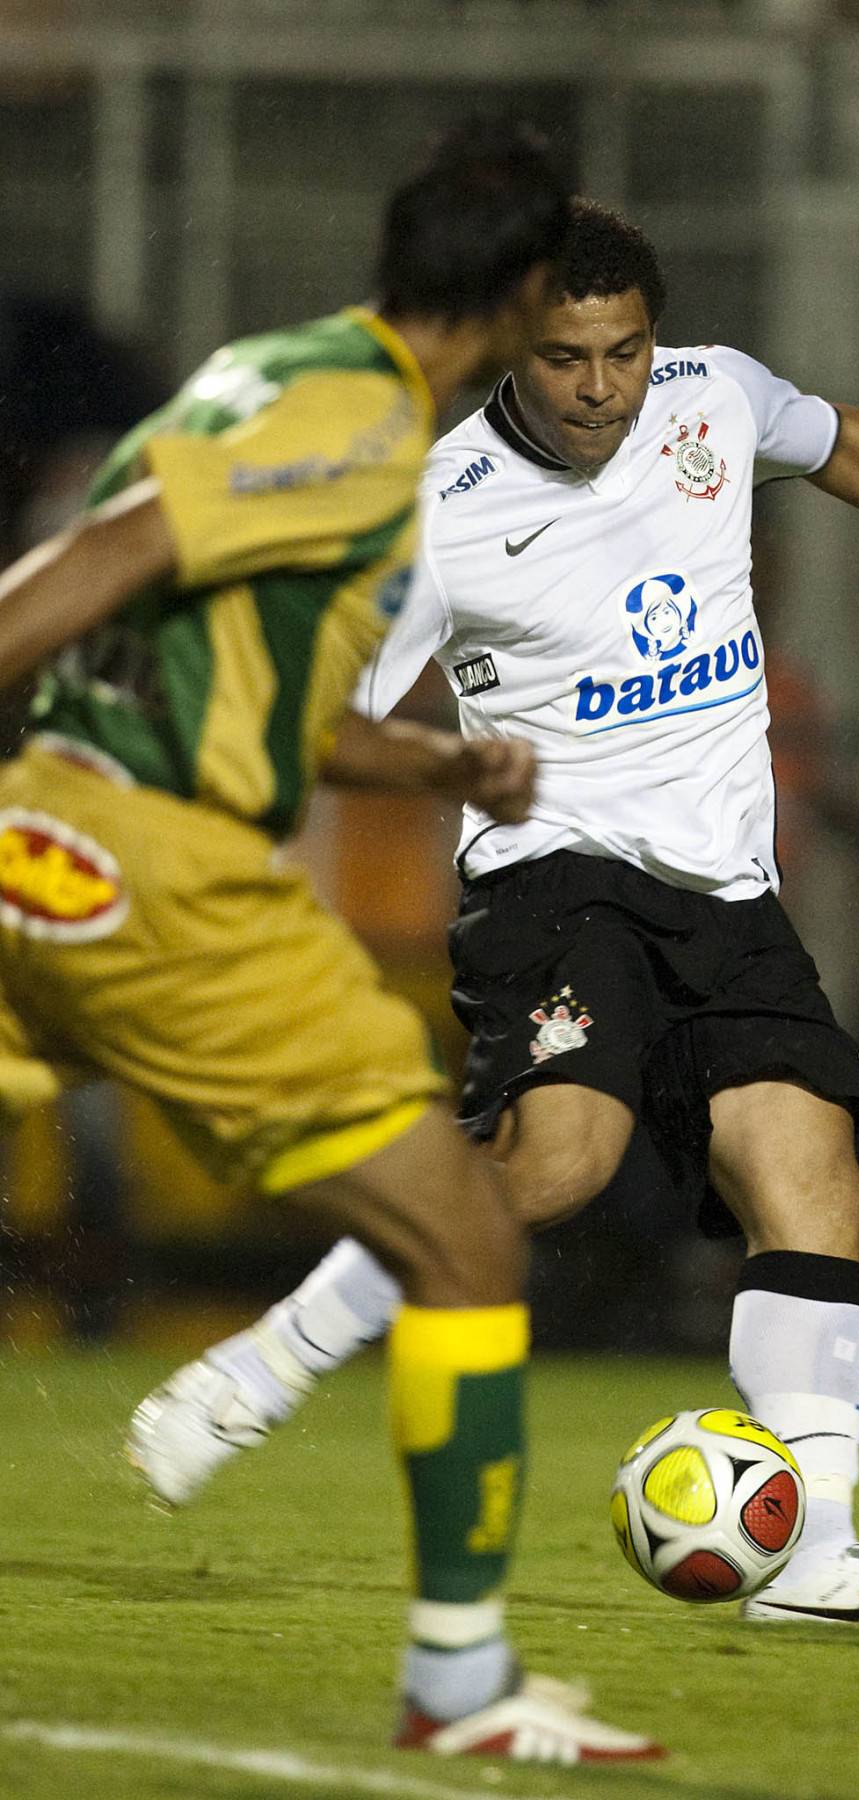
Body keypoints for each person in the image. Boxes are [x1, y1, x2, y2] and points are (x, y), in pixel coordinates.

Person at [129, 201, 859, 1627]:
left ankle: (812, 1562)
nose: (601, 386)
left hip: (726, 889)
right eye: (566, 357)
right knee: (561, 1161)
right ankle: (259, 1371)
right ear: (512, 345)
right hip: (553, 877)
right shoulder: (437, 509)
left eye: (623, 350)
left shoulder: (711, 398)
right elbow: (319, 714)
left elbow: (836, 437)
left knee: (815, 1179)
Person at [0, 137, 663, 1763]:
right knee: (464, 1241)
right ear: (517, 297)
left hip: (45, 835)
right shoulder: (358, 422)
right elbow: (106, 562)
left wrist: (436, 763)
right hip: (163, 881)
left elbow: (241, 679)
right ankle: (457, 1684)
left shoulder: (257, 373)